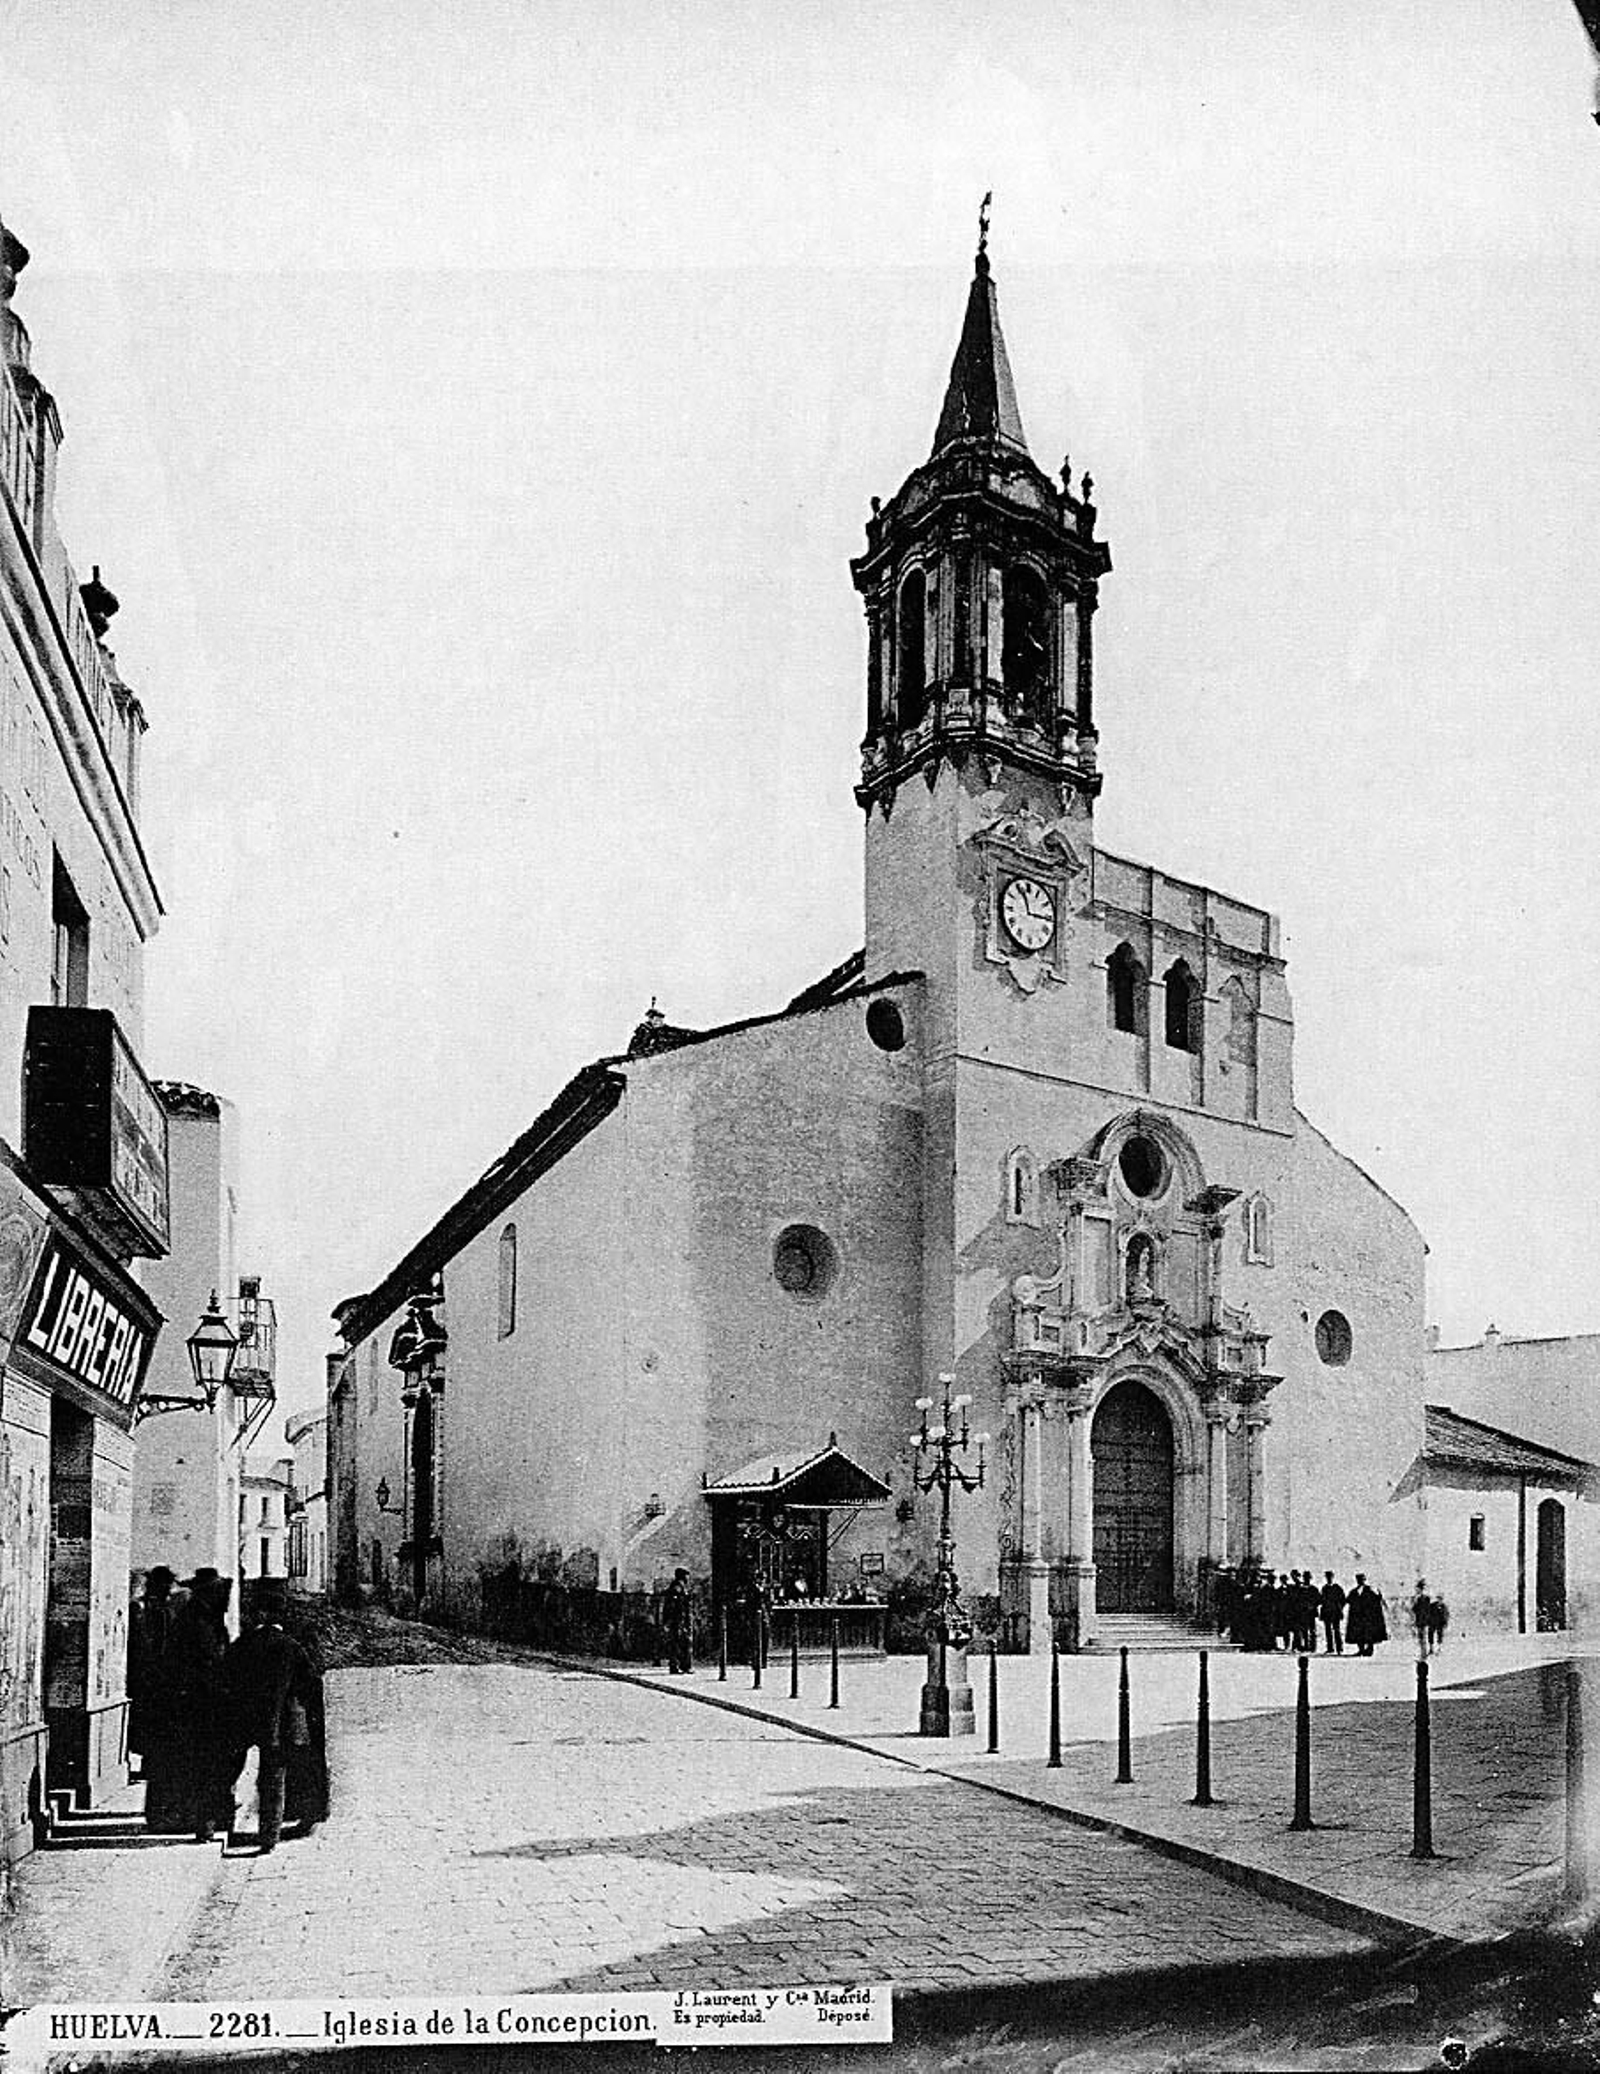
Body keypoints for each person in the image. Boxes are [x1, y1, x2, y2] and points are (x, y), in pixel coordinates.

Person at [224, 1579, 322, 1854]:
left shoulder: (244, 1644)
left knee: (227, 1771)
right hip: (280, 1723)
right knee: (273, 1779)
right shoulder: (291, 1646)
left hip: (245, 1718)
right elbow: (309, 1682)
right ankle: (269, 1836)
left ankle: (218, 1824)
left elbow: (227, 1676)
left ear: (260, 1614)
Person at [151, 1570, 234, 1839]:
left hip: (198, 1702)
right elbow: (203, 1661)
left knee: (193, 1762)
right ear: (210, 1593)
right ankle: (187, 1817)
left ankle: (192, 1816)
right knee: (194, 1762)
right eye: (220, 1591)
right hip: (194, 1703)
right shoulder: (197, 1620)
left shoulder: (204, 1617)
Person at [126, 1566, 177, 1783]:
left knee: (154, 1724)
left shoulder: (165, 1609)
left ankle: (151, 1764)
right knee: (146, 1722)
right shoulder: (140, 1608)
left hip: (157, 1676)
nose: (167, 1591)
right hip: (146, 1675)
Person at [1346, 1573, 1388, 1657]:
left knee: (1369, 1634)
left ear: (1364, 1580)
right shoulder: (1354, 1591)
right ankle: (1361, 1650)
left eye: (1362, 1580)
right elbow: (1348, 1600)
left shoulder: (1369, 1590)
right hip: (1358, 1617)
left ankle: (1369, 1650)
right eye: (1359, 1580)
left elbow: (1376, 1600)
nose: (1360, 1581)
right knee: (1358, 1633)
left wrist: (1379, 1596)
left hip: (1367, 1617)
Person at [662, 1567, 694, 1675]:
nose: (688, 1578)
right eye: (686, 1576)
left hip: (680, 1620)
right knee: (681, 1643)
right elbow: (675, 1606)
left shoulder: (680, 1587)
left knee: (679, 1643)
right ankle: (680, 1666)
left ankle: (680, 1666)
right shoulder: (677, 1588)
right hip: (679, 1620)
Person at [1319, 1570, 1346, 1656]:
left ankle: (1339, 1648)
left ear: (1333, 1577)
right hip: (1327, 1612)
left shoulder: (1337, 1588)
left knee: (1336, 1630)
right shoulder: (1324, 1588)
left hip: (1335, 1612)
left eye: (1330, 1577)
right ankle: (1330, 1648)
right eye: (1327, 1577)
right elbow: (1321, 1600)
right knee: (1328, 1631)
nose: (1329, 1579)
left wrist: (1339, 1608)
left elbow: (1343, 1599)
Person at [1410, 1579, 1434, 1656]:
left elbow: (1426, 1610)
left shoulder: (1425, 1598)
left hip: (1422, 1621)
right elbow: (1413, 1609)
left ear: (1420, 1589)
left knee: (1422, 1637)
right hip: (1418, 1620)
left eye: (1417, 1589)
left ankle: (1423, 1653)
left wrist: (1426, 1620)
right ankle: (1422, 1652)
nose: (1416, 1590)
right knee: (1420, 1637)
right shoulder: (1415, 1598)